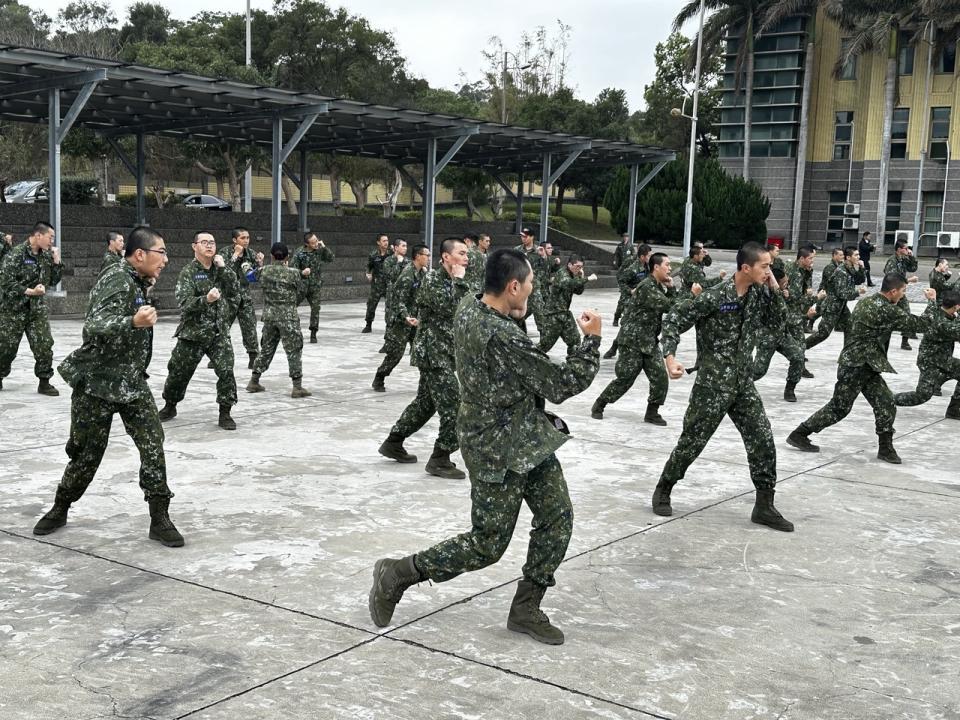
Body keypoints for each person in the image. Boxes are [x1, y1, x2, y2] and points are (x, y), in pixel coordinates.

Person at [368, 248, 601, 645]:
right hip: (496, 446)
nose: (531, 291)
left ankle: (526, 607)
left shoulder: (471, 304)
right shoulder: (502, 337)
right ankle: (401, 572)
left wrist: (514, 312)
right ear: (512, 287)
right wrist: (590, 342)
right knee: (487, 544)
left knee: (557, 518)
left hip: (527, 438)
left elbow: (507, 332)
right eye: (528, 285)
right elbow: (562, 384)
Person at [32, 226, 184, 547]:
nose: (166, 259)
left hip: (131, 381)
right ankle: (60, 507)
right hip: (98, 384)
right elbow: (96, 324)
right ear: (139, 254)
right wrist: (133, 321)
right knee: (87, 455)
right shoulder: (117, 278)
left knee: (153, 445)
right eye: (161, 253)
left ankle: (160, 517)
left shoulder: (136, 279)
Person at [651, 242, 793, 532]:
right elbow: (675, 319)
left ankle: (764, 504)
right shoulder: (714, 297)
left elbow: (780, 321)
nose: (769, 271)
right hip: (712, 386)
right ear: (746, 268)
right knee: (692, 442)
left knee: (763, 439)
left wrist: (774, 288)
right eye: (765, 266)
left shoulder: (759, 295)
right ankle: (664, 487)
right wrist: (670, 357)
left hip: (742, 383)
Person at [787, 274, 935, 464]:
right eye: (903, 292)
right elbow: (921, 324)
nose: (903, 295)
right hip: (856, 365)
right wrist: (932, 302)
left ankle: (885, 448)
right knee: (839, 408)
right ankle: (800, 433)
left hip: (866, 364)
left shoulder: (867, 302)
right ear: (893, 292)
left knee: (886, 403)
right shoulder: (885, 309)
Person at [378, 238, 470, 479]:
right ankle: (440, 458)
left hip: (445, 353)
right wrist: (460, 282)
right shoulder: (431, 280)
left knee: (425, 403)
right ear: (447, 257)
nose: (466, 258)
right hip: (433, 353)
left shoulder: (456, 282)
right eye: (461, 253)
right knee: (455, 406)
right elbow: (451, 307)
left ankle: (394, 442)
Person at [592, 252, 689, 424]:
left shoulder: (657, 286)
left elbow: (670, 305)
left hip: (648, 341)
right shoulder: (647, 287)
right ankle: (600, 404)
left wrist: (670, 288)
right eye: (667, 265)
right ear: (656, 267)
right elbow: (671, 306)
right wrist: (676, 290)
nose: (670, 268)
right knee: (625, 379)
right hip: (632, 341)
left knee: (660, 378)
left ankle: (652, 413)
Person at [157, 231, 240, 430]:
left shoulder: (221, 269)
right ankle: (170, 405)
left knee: (226, 370)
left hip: (218, 332)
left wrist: (224, 268)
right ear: (194, 246)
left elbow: (234, 289)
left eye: (212, 242)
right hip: (193, 334)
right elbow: (184, 303)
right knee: (178, 372)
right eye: (204, 242)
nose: (210, 246)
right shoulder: (188, 272)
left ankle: (225, 412)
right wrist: (206, 300)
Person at [753, 247, 825, 402]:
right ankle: (736, 385)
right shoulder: (765, 297)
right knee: (758, 371)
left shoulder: (780, 294)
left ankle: (790, 389)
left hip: (782, 333)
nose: (787, 285)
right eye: (784, 283)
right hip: (768, 336)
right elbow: (786, 315)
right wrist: (806, 314)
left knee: (798, 357)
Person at [0, 221, 63, 395]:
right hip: (13, 310)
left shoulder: (46, 256)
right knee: (5, 349)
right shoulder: (16, 254)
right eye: (50, 237)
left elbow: (53, 281)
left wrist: (57, 261)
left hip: (36, 310)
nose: (52, 241)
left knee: (44, 345)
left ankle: (44, 381)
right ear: (38, 235)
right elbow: (6, 282)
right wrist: (30, 291)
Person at [246, 243, 312, 398]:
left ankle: (254, 381)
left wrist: (246, 263)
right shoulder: (294, 273)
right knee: (293, 350)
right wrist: (305, 272)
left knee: (266, 350)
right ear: (287, 257)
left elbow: (249, 275)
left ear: (272, 256)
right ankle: (297, 387)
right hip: (288, 318)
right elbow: (303, 281)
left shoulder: (264, 271)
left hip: (269, 317)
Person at [894, 289, 960, 419]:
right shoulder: (942, 323)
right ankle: (887, 400)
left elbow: (933, 309)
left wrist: (931, 300)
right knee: (922, 396)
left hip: (942, 360)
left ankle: (954, 409)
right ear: (956, 307)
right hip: (932, 362)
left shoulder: (941, 313)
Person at [373, 244, 429, 392]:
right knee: (395, 355)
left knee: (422, 351)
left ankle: (427, 384)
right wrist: (405, 317)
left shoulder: (422, 273)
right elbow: (399, 301)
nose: (428, 258)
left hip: (415, 320)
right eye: (426, 255)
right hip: (401, 321)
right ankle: (379, 377)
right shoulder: (407, 275)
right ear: (418, 256)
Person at [676, 244, 727, 374]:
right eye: (701, 254)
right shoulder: (693, 268)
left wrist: (706, 254)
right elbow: (704, 284)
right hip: (690, 298)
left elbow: (708, 262)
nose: (703, 256)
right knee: (679, 326)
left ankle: (700, 362)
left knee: (701, 330)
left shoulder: (690, 260)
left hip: (691, 296)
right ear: (695, 256)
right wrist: (720, 278)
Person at [217, 227, 262, 369]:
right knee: (222, 328)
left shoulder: (251, 254)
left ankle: (253, 356)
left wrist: (260, 264)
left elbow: (256, 277)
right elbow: (222, 272)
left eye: (248, 238)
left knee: (249, 327)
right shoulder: (224, 252)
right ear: (234, 240)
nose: (246, 241)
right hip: (227, 297)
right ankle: (216, 356)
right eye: (243, 238)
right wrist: (235, 255)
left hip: (244, 297)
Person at [805, 246, 866, 350]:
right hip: (832, 306)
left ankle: (847, 355)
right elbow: (842, 293)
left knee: (850, 327)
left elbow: (859, 280)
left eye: (858, 255)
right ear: (848, 257)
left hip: (841, 306)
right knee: (823, 333)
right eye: (856, 255)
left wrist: (861, 268)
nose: (858, 257)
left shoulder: (849, 268)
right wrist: (858, 292)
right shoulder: (841, 271)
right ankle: (799, 348)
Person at [603, 243, 653, 359]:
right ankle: (615, 348)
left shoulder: (648, 267)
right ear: (642, 257)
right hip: (629, 300)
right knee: (627, 325)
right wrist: (630, 291)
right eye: (649, 255)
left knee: (639, 324)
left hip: (642, 300)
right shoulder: (633, 269)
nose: (650, 257)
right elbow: (621, 280)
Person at [538, 254, 595, 354]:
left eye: (581, 267)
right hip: (553, 315)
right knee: (544, 345)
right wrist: (587, 279)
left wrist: (581, 277)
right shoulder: (562, 273)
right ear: (569, 264)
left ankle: (573, 364)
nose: (579, 269)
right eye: (577, 266)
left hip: (565, 314)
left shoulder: (573, 275)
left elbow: (578, 291)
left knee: (575, 341)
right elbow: (568, 284)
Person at [290, 231, 335, 343]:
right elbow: (292, 269)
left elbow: (331, 258)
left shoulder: (320, 250)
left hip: (315, 286)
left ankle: (313, 333)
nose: (316, 244)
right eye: (313, 242)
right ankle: (291, 329)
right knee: (291, 307)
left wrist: (324, 247)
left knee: (315, 309)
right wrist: (302, 272)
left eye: (317, 240)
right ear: (307, 244)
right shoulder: (299, 252)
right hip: (302, 286)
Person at [884, 239, 920, 350]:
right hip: (891, 293)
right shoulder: (892, 261)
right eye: (906, 248)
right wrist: (908, 280)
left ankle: (905, 341)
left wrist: (912, 257)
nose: (907, 250)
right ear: (899, 249)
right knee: (886, 317)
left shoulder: (903, 259)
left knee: (906, 314)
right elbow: (891, 278)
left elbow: (913, 268)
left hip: (900, 293)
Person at [514, 228, 546, 332]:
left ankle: (543, 339)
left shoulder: (539, 251)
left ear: (532, 237)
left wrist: (544, 257)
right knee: (516, 312)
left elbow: (546, 269)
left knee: (539, 311)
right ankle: (517, 332)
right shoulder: (517, 250)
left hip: (534, 286)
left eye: (525, 236)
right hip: (520, 285)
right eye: (522, 236)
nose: (523, 238)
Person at [362, 234, 391, 333]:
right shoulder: (373, 254)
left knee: (390, 306)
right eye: (383, 241)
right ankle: (368, 324)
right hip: (376, 285)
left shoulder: (392, 253)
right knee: (371, 305)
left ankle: (390, 326)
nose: (386, 242)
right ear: (378, 242)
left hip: (389, 285)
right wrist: (368, 273)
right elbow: (369, 266)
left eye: (387, 240)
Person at [612, 233, 635, 326]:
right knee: (622, 303)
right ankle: (616, 318)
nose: (626, 238)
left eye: (627, 237)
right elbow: (616, 254)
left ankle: (626, 320)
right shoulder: (620, 246)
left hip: (632, 286)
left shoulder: (630, 247)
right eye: (624, 236)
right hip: (625, 284)